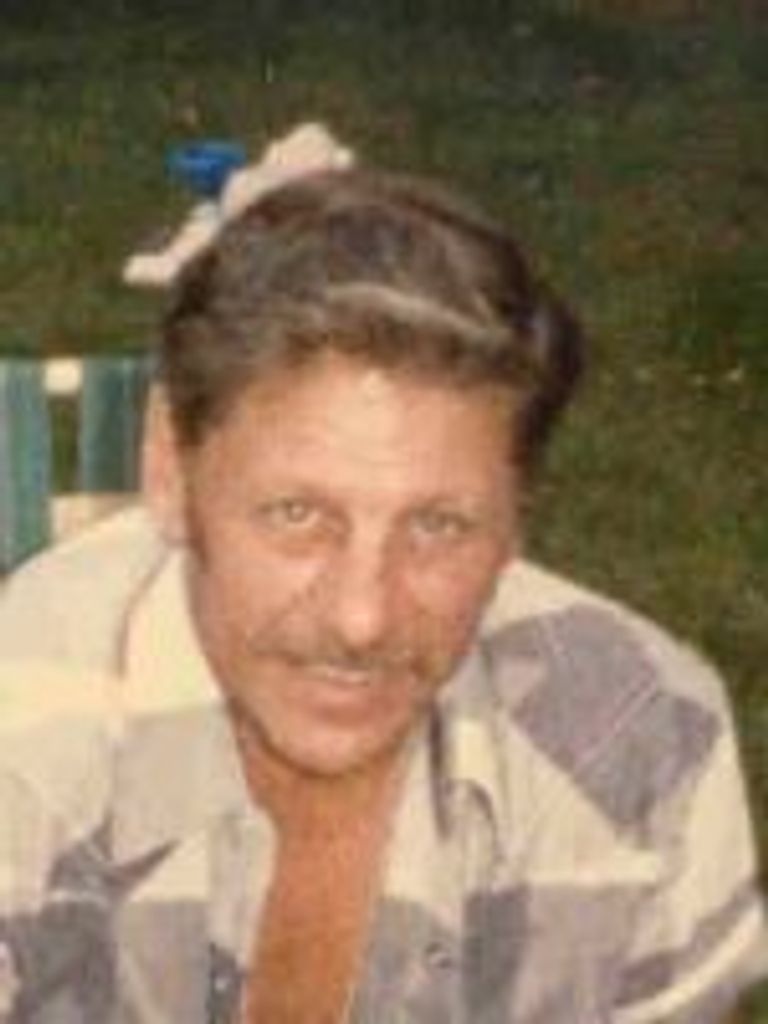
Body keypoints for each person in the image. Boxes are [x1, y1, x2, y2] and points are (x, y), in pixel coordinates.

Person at [0, 123, 764, 1024]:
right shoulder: (25, 749)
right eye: (298, 515)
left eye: (439, 526)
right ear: (169, 470)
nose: (362, 618)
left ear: (516, 517)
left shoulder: (643, 743)